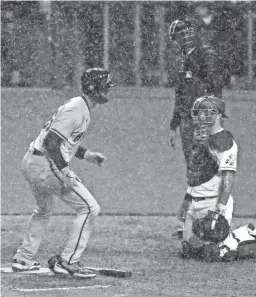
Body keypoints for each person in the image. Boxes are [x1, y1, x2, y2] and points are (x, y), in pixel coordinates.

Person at [12, 68, 115, 278]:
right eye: (105, 87)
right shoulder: (78, 108)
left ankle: (23, 259)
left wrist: (87, 155)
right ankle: (68, 262)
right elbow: (52, 142)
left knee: (43, 210)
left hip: (33, 161)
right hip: (44, 164)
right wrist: (66, 172)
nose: (108, 92)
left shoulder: (78, 105)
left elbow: (62, 141)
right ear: (93, 88)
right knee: (89, 208)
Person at [167, 17, 230, 237]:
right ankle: (193, 217)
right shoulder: (182, 59)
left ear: (194, 32)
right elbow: (180, 94)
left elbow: (216, 89)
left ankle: (211, 218)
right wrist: (174, 125)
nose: (182, 37)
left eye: (186, 32)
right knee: (193, 168)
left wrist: (210, 122)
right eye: (178, 35)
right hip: (187, 121)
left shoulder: (206, 55)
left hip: (201, 121)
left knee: (208, 167)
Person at [180, 95, 238, 259]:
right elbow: (194, 175)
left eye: (207, 112)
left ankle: (245, 237)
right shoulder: (199, 138)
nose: (201, 116)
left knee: (212, 254)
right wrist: (185, 203)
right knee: (189, 250)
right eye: (199, 112)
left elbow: (228, 178)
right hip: (195, 203)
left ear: (219, 115)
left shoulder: (225, 142)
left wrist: (220, 207)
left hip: (213, 202)